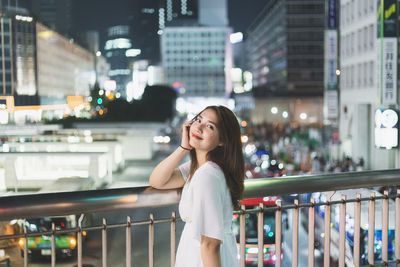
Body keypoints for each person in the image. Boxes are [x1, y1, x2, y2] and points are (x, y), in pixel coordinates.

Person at [149, 105, 244, 267]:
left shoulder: (207, 175)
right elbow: (157, 180)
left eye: (210, 126)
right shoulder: (200, 167)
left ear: (223, 140)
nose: (199, 127)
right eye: (198, 120)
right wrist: (183, 147)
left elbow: (210, 244)